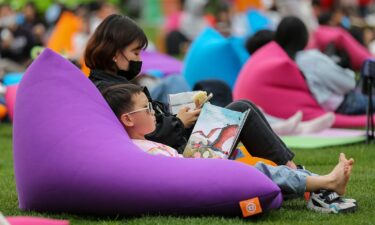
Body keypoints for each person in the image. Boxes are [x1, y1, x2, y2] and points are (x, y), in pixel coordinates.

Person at [101, 83, 357, 214]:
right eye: (147, 109)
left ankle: (317, 183)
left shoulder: (140, 135)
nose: (153, 112)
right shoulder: (135, 146)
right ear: (128, 119)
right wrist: (179, 122)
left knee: (246, 128)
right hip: (194, 172)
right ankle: (322, 183)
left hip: (194, 164)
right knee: (257, 171)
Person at [84, 14, 297, 167]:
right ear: (114, 53)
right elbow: (142, 135)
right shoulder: (110, 91)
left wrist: (181, 116)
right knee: (242, 108)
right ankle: (293, 171)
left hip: (180, 147)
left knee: (233, 101)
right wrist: (178, 121)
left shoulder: (109, 83)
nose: (140, 60)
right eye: (135, 53)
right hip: (184, 158)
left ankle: (292, 169)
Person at [246, 17, 375, 115]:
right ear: (304, 36)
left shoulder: (285, 61)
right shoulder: (309, 59)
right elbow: (348, 83)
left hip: (324, 105)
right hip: (342, 104)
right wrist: (348, 73)